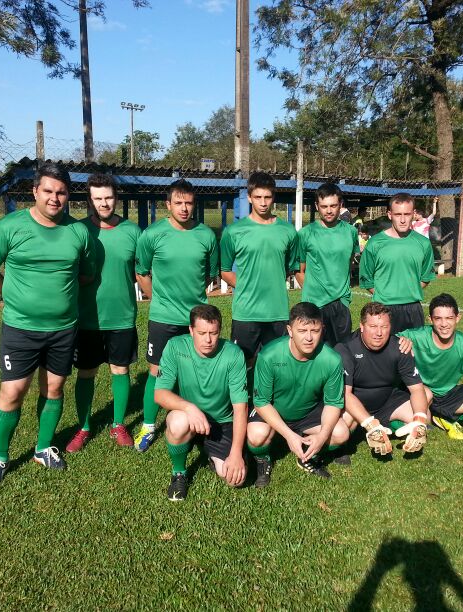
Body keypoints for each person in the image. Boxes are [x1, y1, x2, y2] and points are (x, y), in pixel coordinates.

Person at [0, 162, 95, 486]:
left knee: (54, 388)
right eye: (48, 191)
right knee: (12, 392)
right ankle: (0, 457)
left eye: (61, 192)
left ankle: (43, 448)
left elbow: (86, 275)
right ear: (35, 191)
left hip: (63, 329)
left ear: (68, 195)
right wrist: (11, 294)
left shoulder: (78, 232)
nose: (54, 198)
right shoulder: (9, 227)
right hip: (20, 328)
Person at [133, 179, 219, 452]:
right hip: (164, 317)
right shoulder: (152, 234)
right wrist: (158, 301)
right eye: (178, 202)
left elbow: (209, 274)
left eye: (189, 203)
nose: (184, 208)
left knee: (197, 370)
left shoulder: (206, 235)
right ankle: (148, 425)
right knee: (157, 371)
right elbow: (141, 273)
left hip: (197, 318)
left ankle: (195, 421)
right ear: (167, 204)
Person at [68, 174, 142, 453]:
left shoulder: (133, 231)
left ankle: (118, 424)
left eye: (108, 197)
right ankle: (84, 426)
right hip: (87, 317)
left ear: (116, 198)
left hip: (122, 315)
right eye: (97, 198)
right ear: (89, 200)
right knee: (86, 372)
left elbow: (141, 270)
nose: (104, 203)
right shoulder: (78, 230)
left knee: (120, 369)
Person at [246, 302, 349, 486]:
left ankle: (309, 455)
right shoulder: (269, 355)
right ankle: (263, 458)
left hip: (308, 411)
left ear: (322, 329)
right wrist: (288, 435)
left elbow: (333, 403)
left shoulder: (332, 360)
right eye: (302, 331)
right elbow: (261, 402)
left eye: (315, 331)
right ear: (290, 330)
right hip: (275, 410)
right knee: (256, 435)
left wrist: (322, 436)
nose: (309, 337)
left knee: (341, 433)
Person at [155, 305, 248, 501]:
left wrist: (236, 453)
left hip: (221, 423)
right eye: (202, 333)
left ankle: (212, 455)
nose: (208, 340)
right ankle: (179, 473)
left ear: (220, 330)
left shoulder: (233, 354)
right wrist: (189, 407)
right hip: (189, 417)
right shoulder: (175, 346)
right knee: (178, 423)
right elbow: (160, 394)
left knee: (235, 480)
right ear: (191, 330)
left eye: (213, 333)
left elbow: (241, 409)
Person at [397, 293, 463, 445]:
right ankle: (428, 415)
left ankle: (441, 415)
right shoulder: (415, 336)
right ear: (430, 319)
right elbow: (386, 341)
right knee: (423, 413)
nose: (444, 324)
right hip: (420, 391)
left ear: (458, 318)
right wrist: (400, 340)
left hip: (448, 394)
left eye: (449, 318)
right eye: (438, 318)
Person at [220, 171, 299, 365]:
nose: (263, 203)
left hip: (278, 312)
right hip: (246, 312)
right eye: (257, 197)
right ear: (249, 197)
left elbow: (290, 266)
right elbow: (224, 270)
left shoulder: (288, 231)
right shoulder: (233, 231)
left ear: (274, 198)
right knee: (242, 365)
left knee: (277, 365)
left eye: (267, 197)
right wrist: (245, 285)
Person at [335, 303, 432, 458]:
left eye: (384, 327)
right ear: (362, 326)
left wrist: (420, 421)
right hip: (356, 404)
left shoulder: (401, 346)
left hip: (387, 400)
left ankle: (391, 427)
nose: (379, 333)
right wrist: (371, 425)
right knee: (341, 427)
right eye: (373, 326)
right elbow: (345, 394)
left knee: (424, 409)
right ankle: (346, 444)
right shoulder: (345, 349)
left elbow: (417, 389)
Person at [359, 193, 436, 333]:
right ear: (389, 215)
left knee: (413, 347)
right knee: (385, 347)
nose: (402, 220)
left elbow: (426, 277)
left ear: (413, 214)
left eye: (407, 214)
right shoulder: (375, 243)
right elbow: (366, 279)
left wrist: (408, 292)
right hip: (383, 308)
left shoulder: (423, 243)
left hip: (413, 309)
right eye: (397, 214)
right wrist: (384, 294)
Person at [295, 182, 359, 346]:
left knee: (342, 352)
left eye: (333, 206)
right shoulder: (305, 234)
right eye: (324, 206)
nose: (329, 210)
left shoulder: (351, 232)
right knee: (315, 351)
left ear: (340, 205)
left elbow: (350, 261)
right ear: (317, 206)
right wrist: (312, 295)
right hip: (315, 304)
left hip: (341, 304)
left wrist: (343, 299)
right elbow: (299, 270)